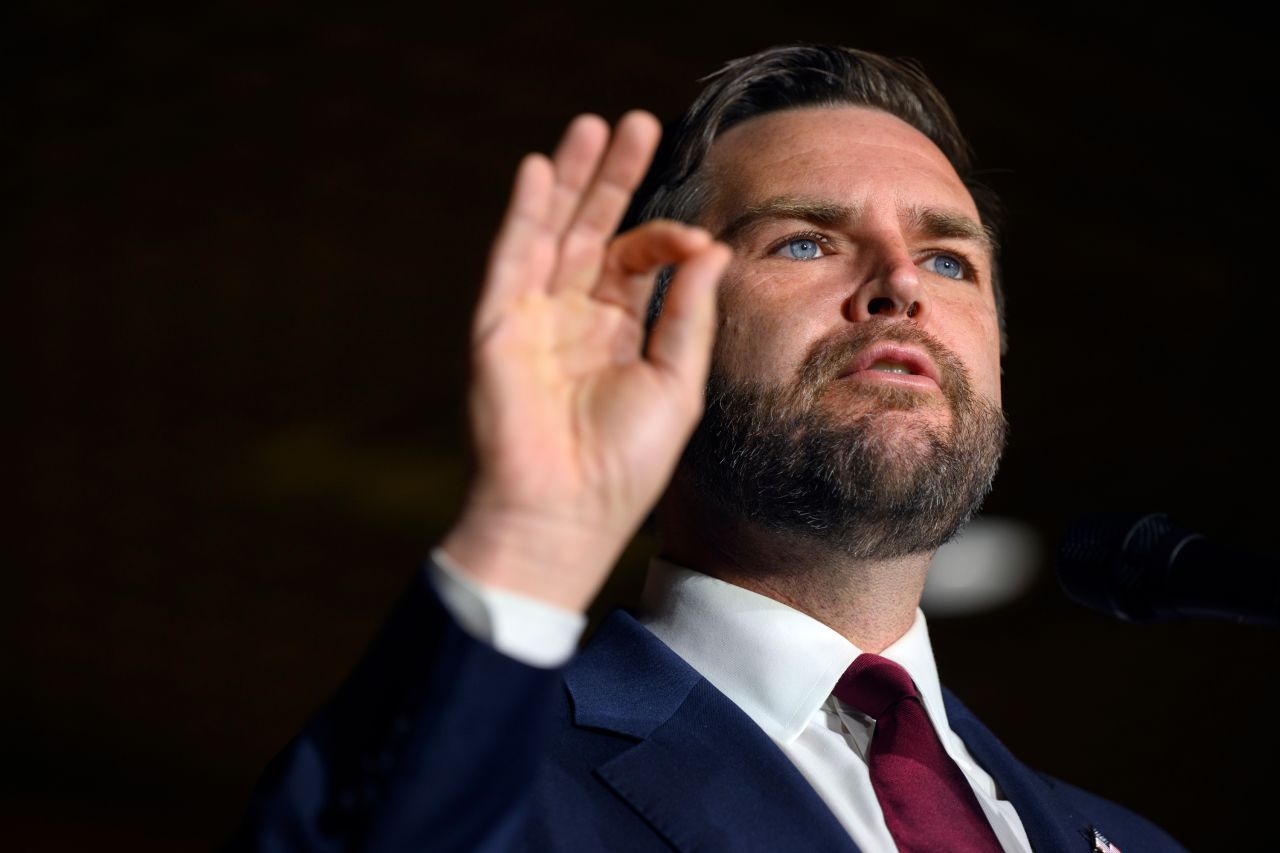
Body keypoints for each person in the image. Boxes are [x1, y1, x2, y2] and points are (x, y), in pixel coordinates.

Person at [231, 45, 1187, 852]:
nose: (902, 282)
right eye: (807, 242)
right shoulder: (494, 778)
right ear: (657, 333)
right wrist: (530, 533)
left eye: (949, 259)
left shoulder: (1128, 840)